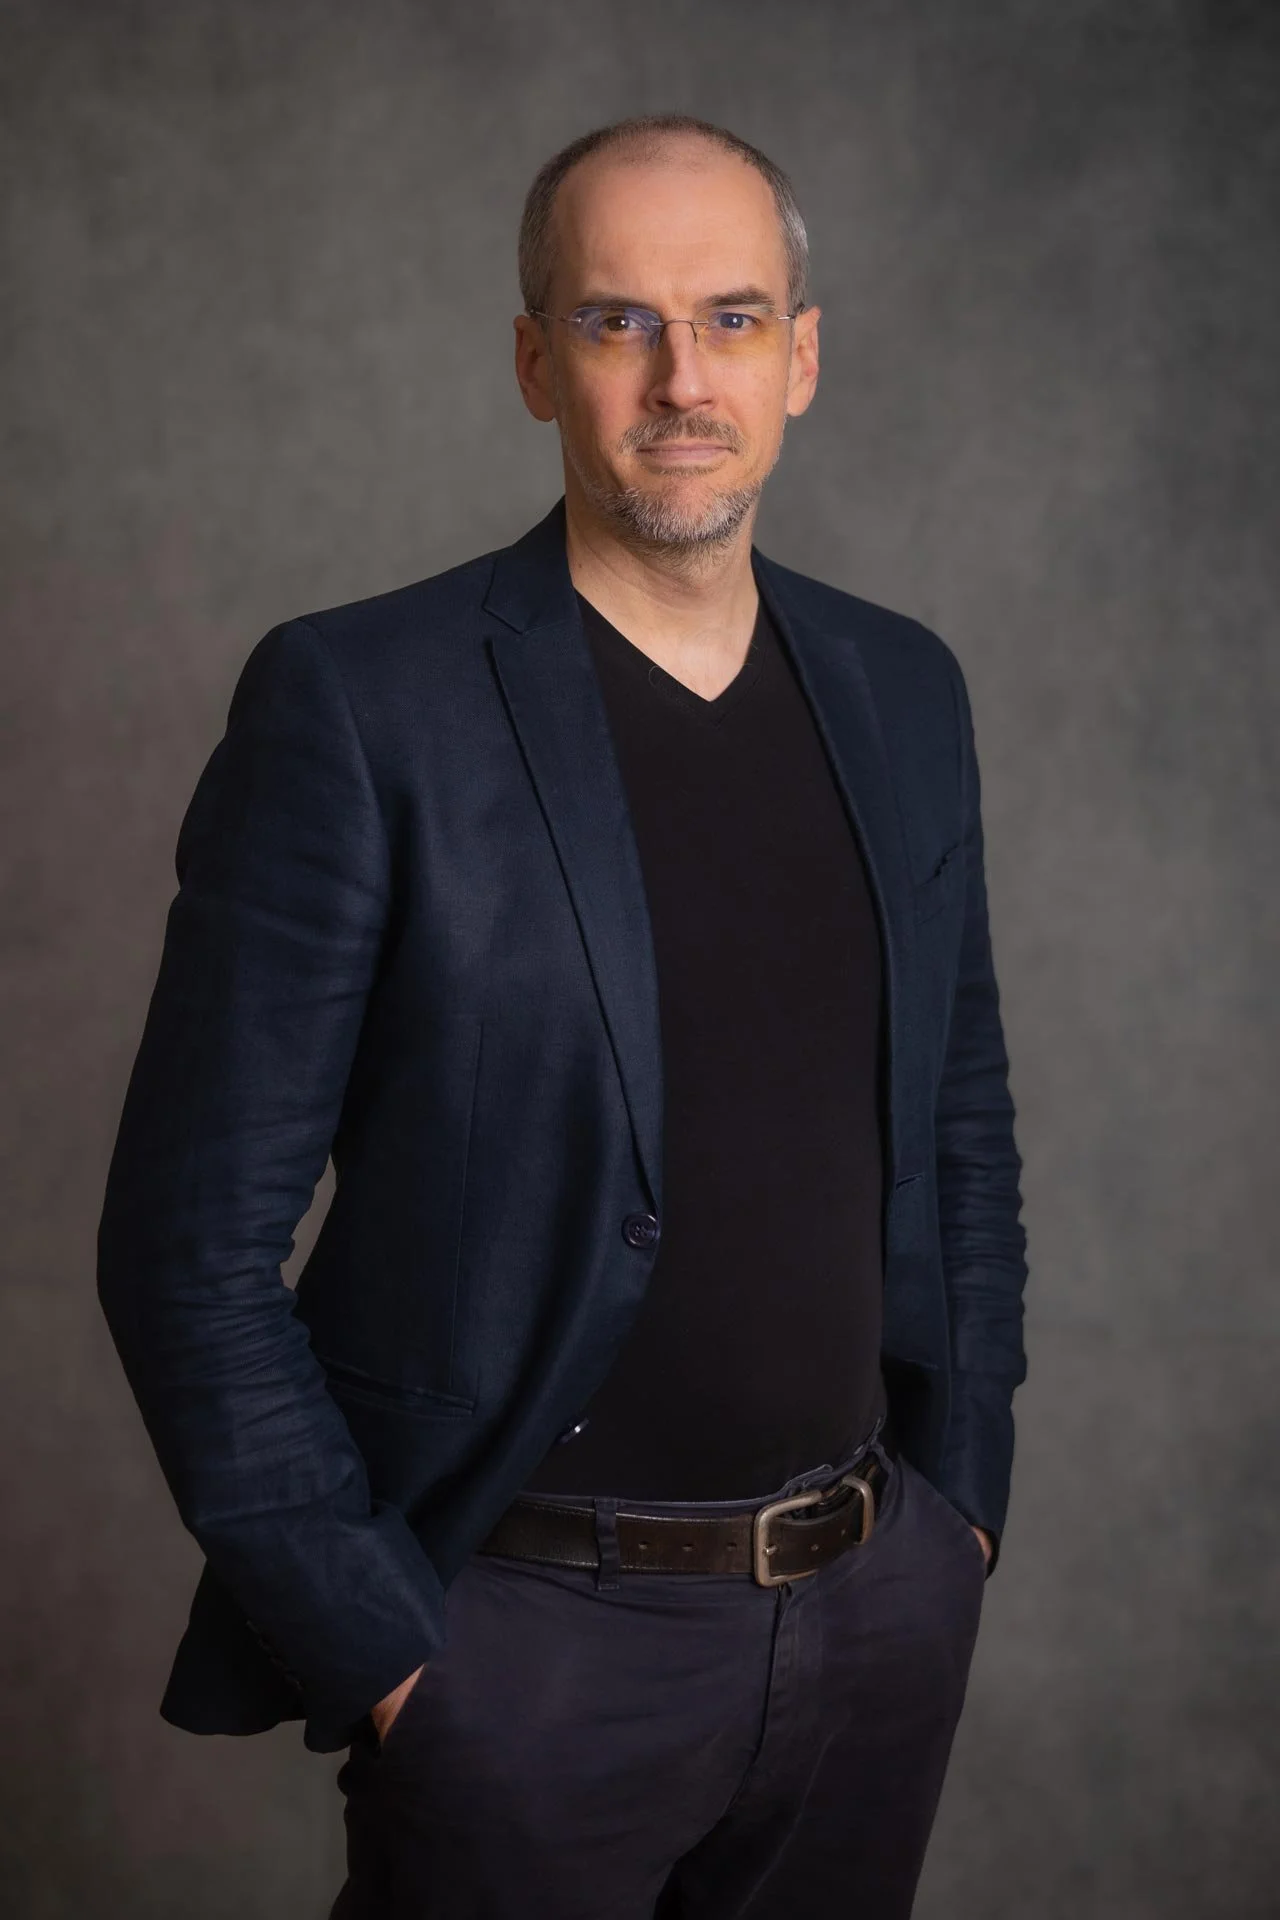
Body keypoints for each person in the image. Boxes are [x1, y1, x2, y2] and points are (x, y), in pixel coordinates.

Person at [98, 113, 1028, 1919]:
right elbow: (183, 1245)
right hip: (520, 1656)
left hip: (869, 1623)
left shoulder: (903, 690)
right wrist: (389, 1652)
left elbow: (963, 1120)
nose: (683, 378)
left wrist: (960, 1508)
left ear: (804, 358)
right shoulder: (363, 707)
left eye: (735, 319)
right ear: (536, 361)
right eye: (619, 323)